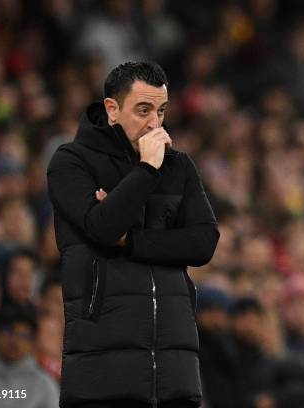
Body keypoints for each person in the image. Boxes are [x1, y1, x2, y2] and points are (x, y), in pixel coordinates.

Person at [46, 61, 220, 408]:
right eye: (143, 110)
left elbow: (203, 242)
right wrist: (146, 169)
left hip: (175, 370)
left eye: (161, 111)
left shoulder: (179, 165)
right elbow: (103, 227)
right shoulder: (71, 161)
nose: (155, 123)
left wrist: (132, 240)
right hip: (103, 372)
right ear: (112, 109)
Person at [0, 305, 59, 408]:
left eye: (25, 336)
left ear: (33, 344)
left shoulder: (44, 385)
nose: (16, 341)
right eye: (10, 332)